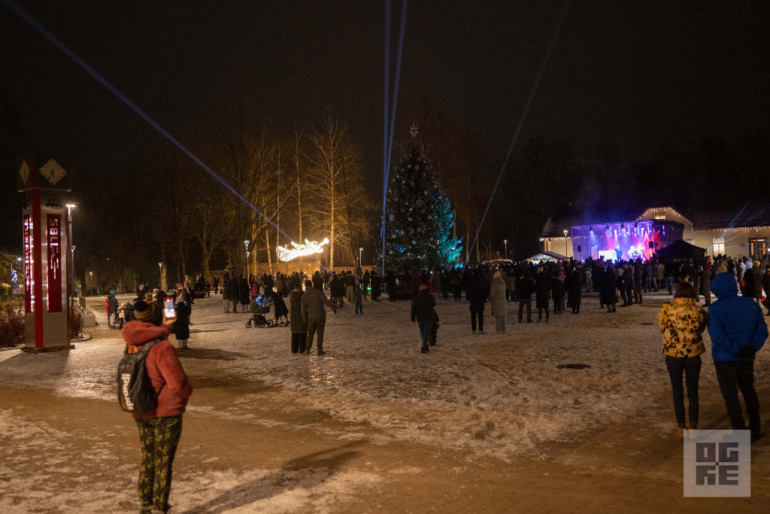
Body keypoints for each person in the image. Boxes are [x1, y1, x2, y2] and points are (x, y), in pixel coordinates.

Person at [121, 300, 192, 513]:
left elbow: (153, 336)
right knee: (163, 462)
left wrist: (166, 326)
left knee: (148, 458)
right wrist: (186, 394)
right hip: (166, 414)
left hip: (141, 408)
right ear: (156, 318)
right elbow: (177, 383)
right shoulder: (162, 347)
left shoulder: (132, 342)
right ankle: (160, 507)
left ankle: (146, 504)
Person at [708, 271, 768, 442]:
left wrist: (734, 349)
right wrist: (751, 347)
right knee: (749, 390)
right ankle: (755, 427)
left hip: (725, 358)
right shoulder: (750, 305)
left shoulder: (716, 308)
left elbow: (717, 335)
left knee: (731, 395)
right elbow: (762, 330)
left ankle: (739, 429)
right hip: (746, 357)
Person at [658, 282, 708, 438]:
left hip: (673, 354)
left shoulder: (667, 310)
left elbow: (661, 327)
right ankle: (693, 426)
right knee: (693, 392)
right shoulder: (699, 311)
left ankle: (681, 426)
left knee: (677, 392)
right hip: (693, 354)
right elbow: (701, 328)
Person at [302, 277, 337, 356]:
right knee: (320, 334)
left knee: (310, 334)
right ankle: (319, 349)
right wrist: (332, 307)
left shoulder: (304, 296)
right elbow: (325, 301)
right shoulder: (318, 292)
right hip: (320, 315)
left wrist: (304, 320)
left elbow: (303, 310)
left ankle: (307, 349)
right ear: (312, 285)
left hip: (310, 317)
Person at [411, 283, 436, 353]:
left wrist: (413, 318)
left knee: (423, 332)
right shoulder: (430, 296)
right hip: (428, 316)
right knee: (426, 332)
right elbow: (433, 304)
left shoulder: (416, 298)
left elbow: (413, 309)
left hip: (420, 317)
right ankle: (424, 346)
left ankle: (425, 345)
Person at [289, 280, 307, 354]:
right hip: (301, 316)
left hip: (293, 317)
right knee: (302, 334)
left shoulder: (292, 295)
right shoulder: (302, 295)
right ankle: (302, 349)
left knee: (294, 334)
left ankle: (294, 349)